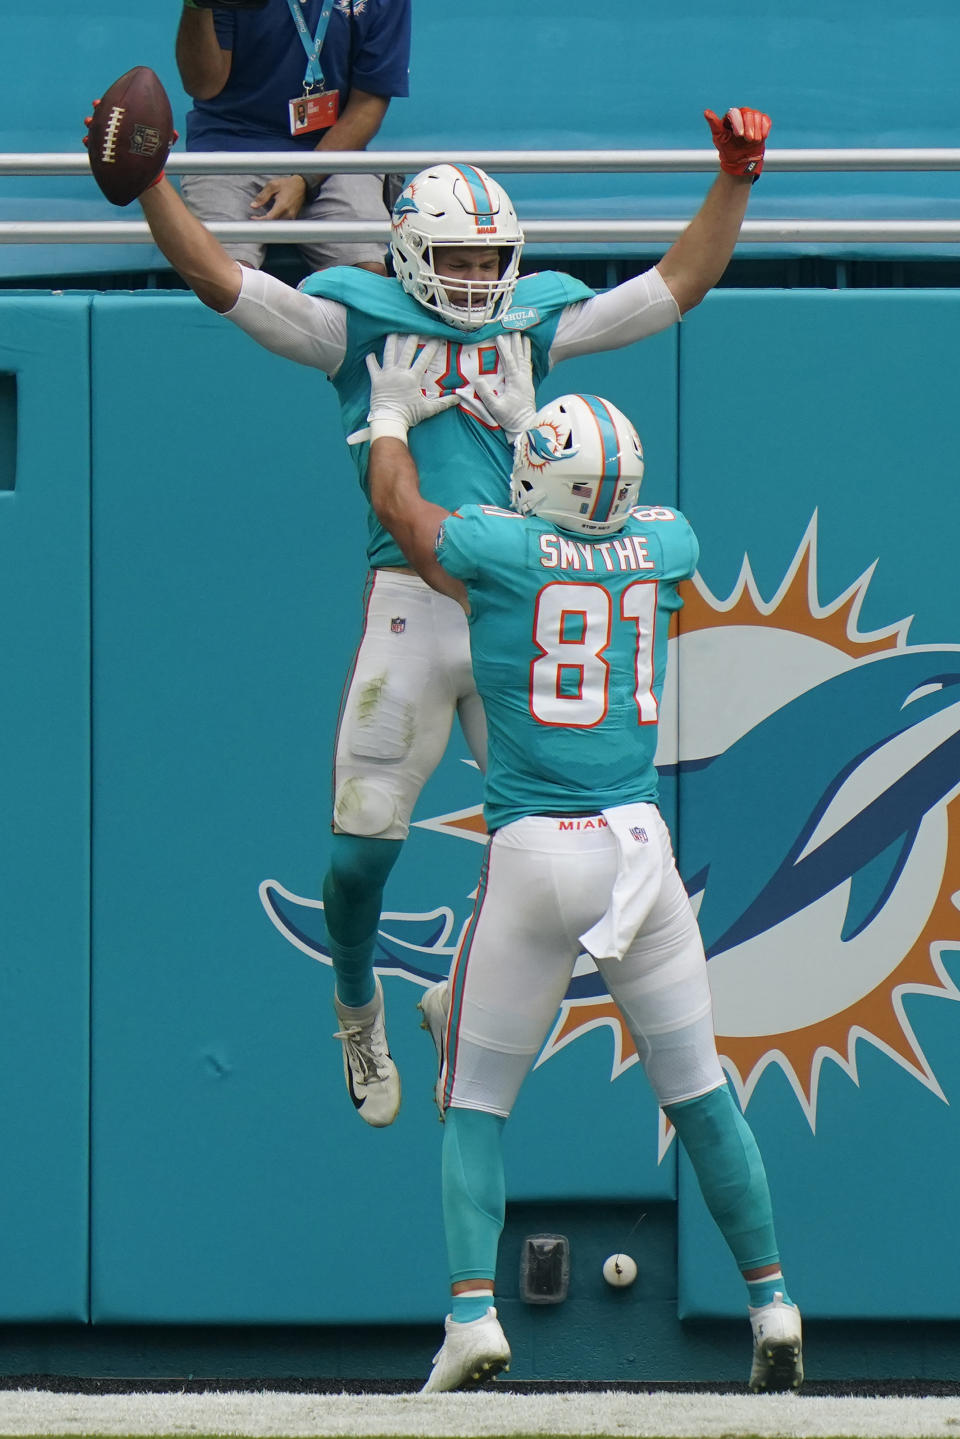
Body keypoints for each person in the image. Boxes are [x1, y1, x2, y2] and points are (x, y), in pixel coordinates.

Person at [86, 83, 771, 1132]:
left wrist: (732, 184)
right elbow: (224, 281)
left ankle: (458, 1001)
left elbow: (674, 284)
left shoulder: (530, 316)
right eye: (455, 260)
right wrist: (155, 194)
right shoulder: (359, 323)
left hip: (516, 610)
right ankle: (356, 1001)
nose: (475, 281)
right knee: (362, 847)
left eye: (491, 263)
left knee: (553, 851)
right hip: (412, 603)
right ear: (406, 253)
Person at [361, 332, 804, 1395]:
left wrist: (385, 422)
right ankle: (772, 1296)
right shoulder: (666, 542)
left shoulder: (498, 549)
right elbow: (600, 520)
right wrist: (535, 432)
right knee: (701, 1094)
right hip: (638, 854)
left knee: (474, 1101)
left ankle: (474, 1311)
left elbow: (406, 518)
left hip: (532, 852)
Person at [175, 0, 411, 273]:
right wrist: (196, 6)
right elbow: (204, 86)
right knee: (225, 277)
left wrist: (305, 178)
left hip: (332, 154)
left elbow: (368, 104)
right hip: (229, 143)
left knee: (367, 274)